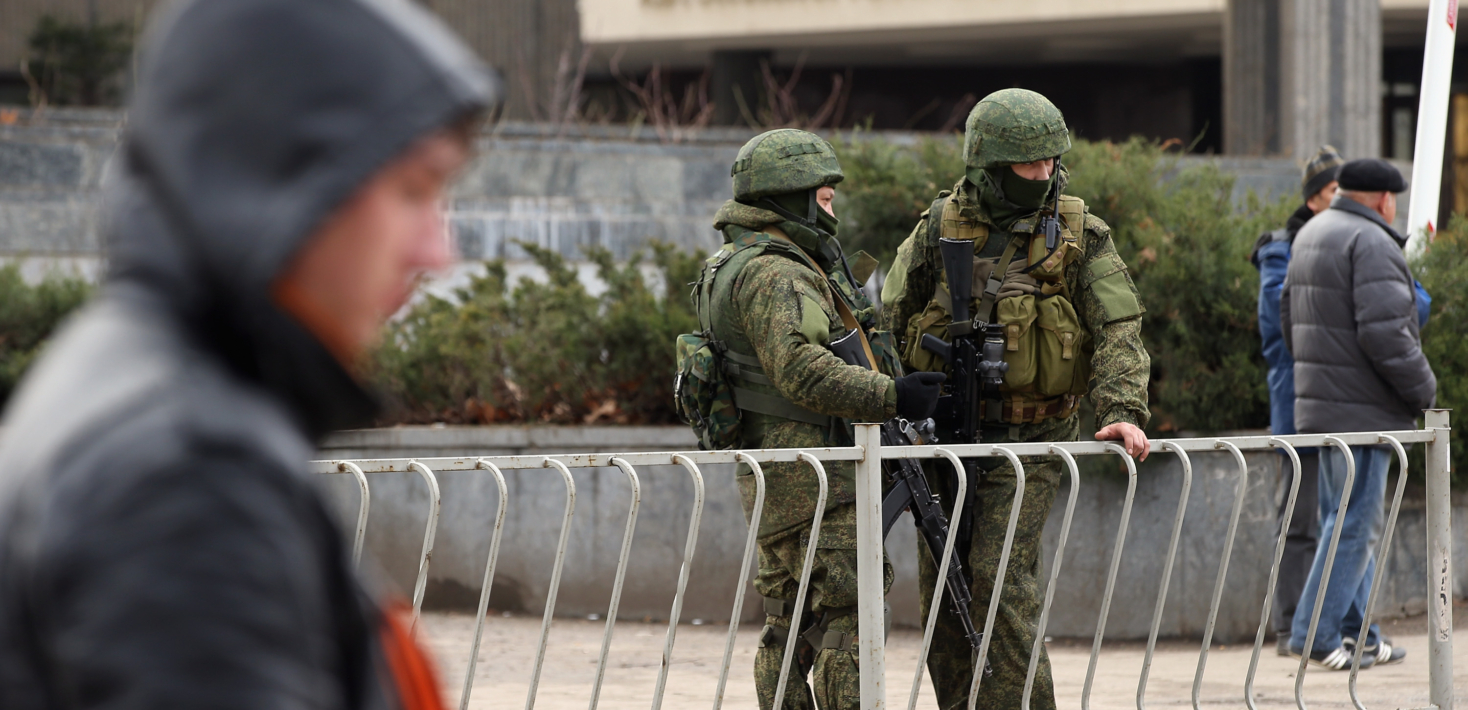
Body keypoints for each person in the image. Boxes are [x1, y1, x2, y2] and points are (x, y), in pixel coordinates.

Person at [0, 0, 496, 707]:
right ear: (282, 184)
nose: (438, 252)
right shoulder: (190, 472)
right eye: (412, 189)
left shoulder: (129, 388)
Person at [881, 89, 1151, 710]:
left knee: (1001, 584)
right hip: (943, 436)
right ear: (990, 165)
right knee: (945, 592)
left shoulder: (1079, 231)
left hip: (1031, 441)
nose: (1045, 172)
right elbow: (889, 319)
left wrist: (1120, 410)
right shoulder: (940, 225)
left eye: (1052, 160)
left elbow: (1118, 326)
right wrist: (886, 404)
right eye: (1029, 163)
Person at [695, 128, 943, 709]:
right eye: (823, 197)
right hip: (816, 480)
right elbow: (800, 369)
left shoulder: (734, 262)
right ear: (790, 198)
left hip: (780, 474)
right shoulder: (777, 272)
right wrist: (894, 395)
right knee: (848, 620)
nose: (832, 209)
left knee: (787, 620)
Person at [1280, 158, 1435, 670]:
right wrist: (1425, 392)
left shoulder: (1312, 232)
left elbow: (1288, 318)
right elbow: (1387, 334)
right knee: (1354, 526)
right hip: (1365, 412)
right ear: (1385, 200)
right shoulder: (1371, 242)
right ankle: (1317, 635)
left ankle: (1360, 634)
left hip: (1324, 406)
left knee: (1341, 521)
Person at [1250, 145, 1342, 655]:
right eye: (1333, 190)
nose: (1341, 198)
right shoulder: (1280, 251)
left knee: (1342, 522)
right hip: (1298, 409)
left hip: (1340, 406)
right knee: (1299, 521)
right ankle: (1290, 627)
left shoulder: (1349, 242)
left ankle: (1332, 625)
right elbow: (1284, 329)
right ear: (1313, 198)